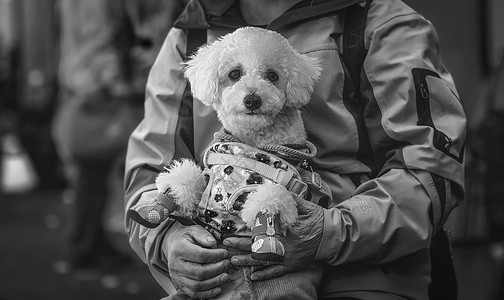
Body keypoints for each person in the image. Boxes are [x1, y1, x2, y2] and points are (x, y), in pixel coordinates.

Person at [124, 0, 466, 299]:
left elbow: (431, 170)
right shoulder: (189, 37)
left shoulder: (385, 25)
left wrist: (330, 233)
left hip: (364, 279)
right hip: (222, 280)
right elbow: (149, 174)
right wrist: (169, 242)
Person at [53, 0, 181, 271]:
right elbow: (98, 37)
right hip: (95, 86)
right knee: (92, 170)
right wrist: (114, 81)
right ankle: (84, 247)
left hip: (83, 80)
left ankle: (92, 242)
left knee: (93, 174)